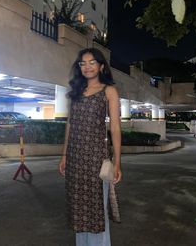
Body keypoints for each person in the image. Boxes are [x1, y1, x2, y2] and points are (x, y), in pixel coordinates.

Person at [59, 48, 122, 246]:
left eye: (92, 62)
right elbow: (70, 124)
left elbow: (115, 127)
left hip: (96, 159)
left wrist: (117, 162)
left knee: (96, 210)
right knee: (78, 209)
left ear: (101, 66)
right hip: (75, 159)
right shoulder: (76, 92)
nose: (87, 67)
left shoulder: (109, 91)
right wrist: (64, 156)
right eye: (83, 63)